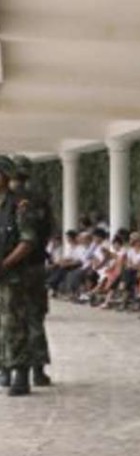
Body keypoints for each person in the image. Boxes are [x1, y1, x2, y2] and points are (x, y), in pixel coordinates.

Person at [0, 156, 49, 395]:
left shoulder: (20, 205)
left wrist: (5, 264)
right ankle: (7, 368)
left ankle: (21, 371)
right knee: (7, 323)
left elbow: (29, 240)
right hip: (17, 270)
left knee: (17, 322)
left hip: (17, 272)